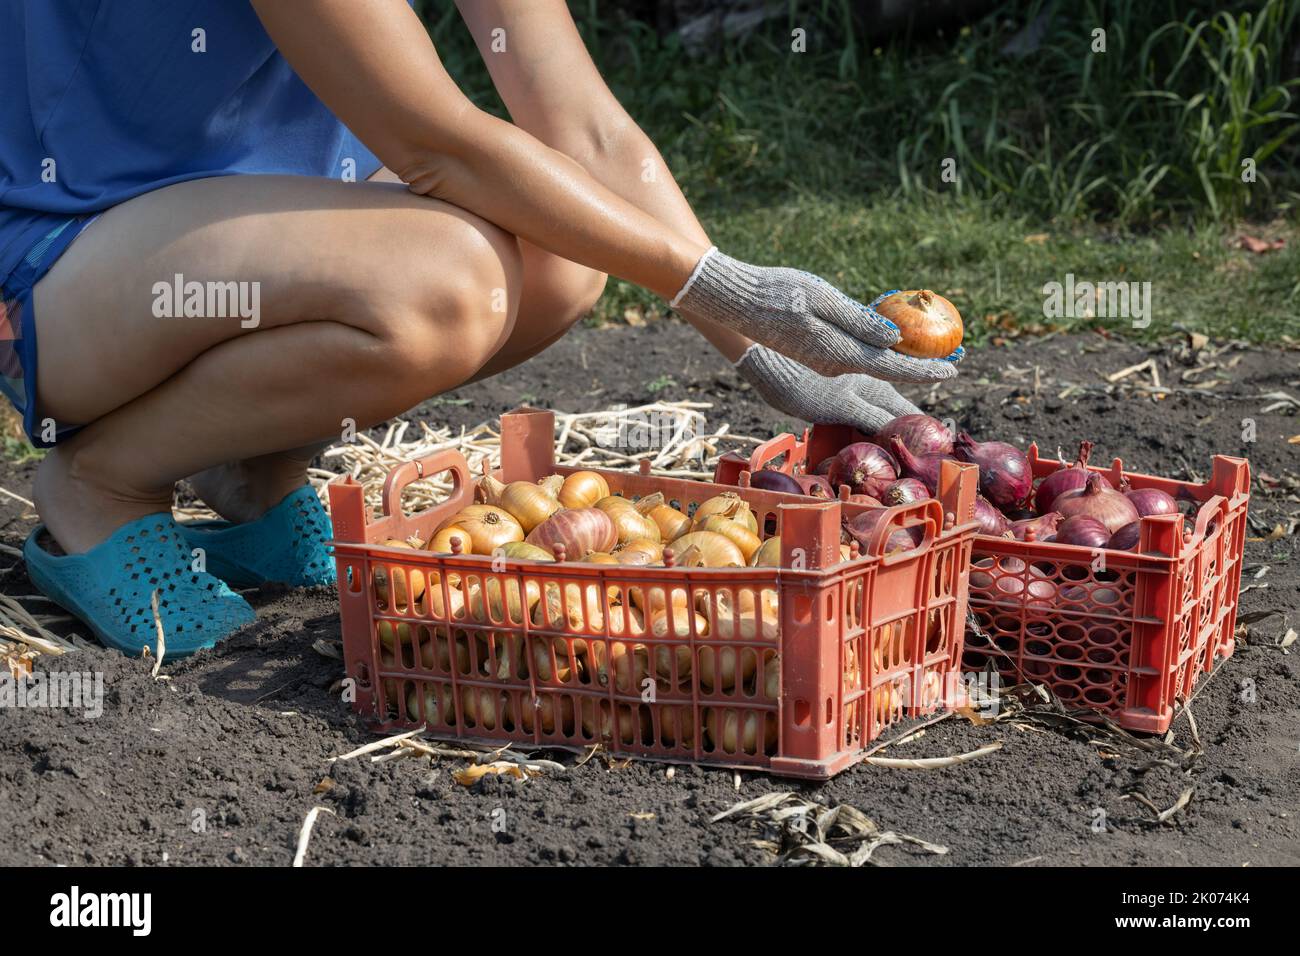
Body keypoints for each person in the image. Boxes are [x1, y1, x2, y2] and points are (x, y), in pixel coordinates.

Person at [0, 0, 961, 656]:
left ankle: (252, 470)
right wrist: (714, 289)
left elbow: (585, 132)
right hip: (63, 257)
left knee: (567, 253)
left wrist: (752, 334)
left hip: (233, 238)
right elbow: (436, 147)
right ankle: (101, 484)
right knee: (445, 290)